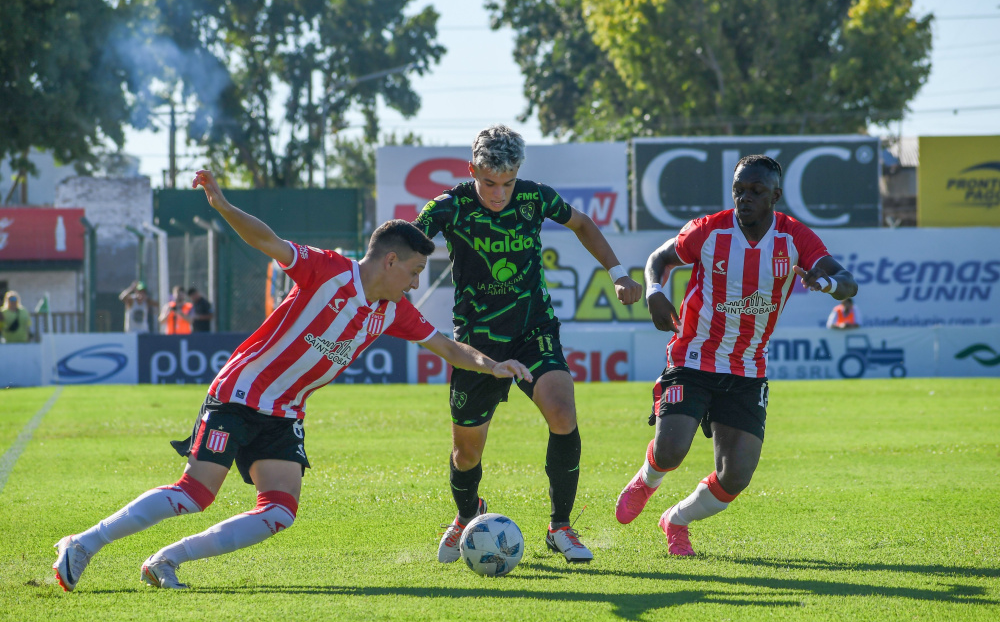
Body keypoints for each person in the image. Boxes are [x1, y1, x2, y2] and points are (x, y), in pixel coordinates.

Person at [52, 169, 532, 592]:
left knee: (279, 510)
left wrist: (493, 365)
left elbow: (448, 347)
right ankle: (83, 544)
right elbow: (268, 241)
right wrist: (222, 205)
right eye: (413, 271)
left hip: (284, 411)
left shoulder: (392, 311)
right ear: (389, 261)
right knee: (196, 493)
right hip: (240, 394)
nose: (414, 282)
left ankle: (166, 561)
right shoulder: (327, 270)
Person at [416, 124, 643, 564]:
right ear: (472, 171)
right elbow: (405, 240)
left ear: (518, 174)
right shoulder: (449, 206)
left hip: (533, 328)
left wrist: (618, 274)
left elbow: (581, 222)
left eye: (507, 182)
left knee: (562, 412)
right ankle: (468, 515)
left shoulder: (536, 197)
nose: (499, 193)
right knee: (466, 452)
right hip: (477, 344)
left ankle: (560, 527)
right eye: (489, 182)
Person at [614, 155, 858, 555]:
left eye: (756, 191)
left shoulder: (795, 238)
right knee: (672, 448)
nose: (745, 198)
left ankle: (675, 520)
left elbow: (848, 283)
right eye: (739, 190)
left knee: (736, 475)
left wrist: (827, 282)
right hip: (692, 358)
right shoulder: (709, 230)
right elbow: (659, 259)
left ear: (775, 196)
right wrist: (656, 293)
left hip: (747, 368)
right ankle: (647, 479)